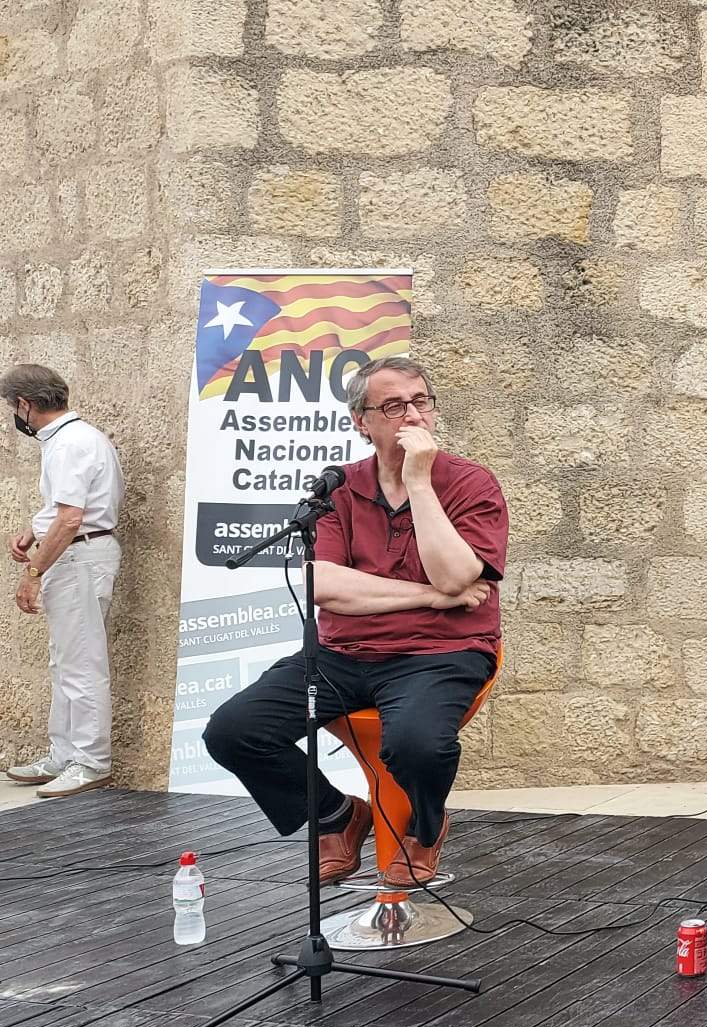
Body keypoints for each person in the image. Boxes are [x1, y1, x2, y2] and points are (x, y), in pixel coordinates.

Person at [202, 356, 507, 887]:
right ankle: (336, 816)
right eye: (392, 405)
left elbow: (457, 575)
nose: (411, 415)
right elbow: (328, 587)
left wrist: (419, 483)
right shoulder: (338, 487)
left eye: (421, 402)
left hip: (439, 655)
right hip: (342, 657)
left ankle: (424, 827)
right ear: (361, 421)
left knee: (415, 744)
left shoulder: (470, 483)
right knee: (233, 731)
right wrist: (430, 596)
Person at [4, 364, 125, 799]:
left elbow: (72, 518)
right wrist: (36, 529)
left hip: (79, 558)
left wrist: (33, 572)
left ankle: (91, 761)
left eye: (13, 408)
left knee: (81, 664)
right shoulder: (75, 438)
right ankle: (64, 754)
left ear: (25, 404)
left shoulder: (69, 444)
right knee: (65, 661)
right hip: (78, 555)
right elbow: (64, 510)